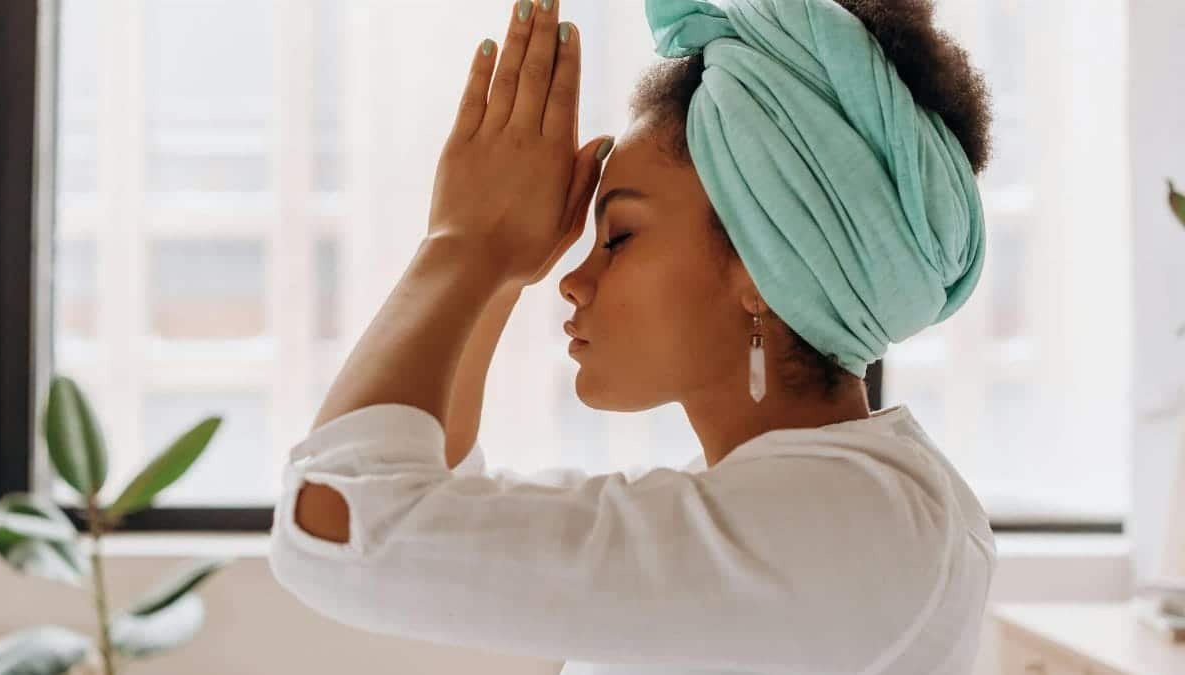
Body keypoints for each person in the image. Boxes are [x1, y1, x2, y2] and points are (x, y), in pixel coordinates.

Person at [268, 0, 997, 673]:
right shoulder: (841, 505)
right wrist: (499, 272)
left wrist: (464, 246)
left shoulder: (850, 523)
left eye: (616, 236)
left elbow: (337, 523)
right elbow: (435, 497)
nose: (572, 280)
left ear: (762, 268)